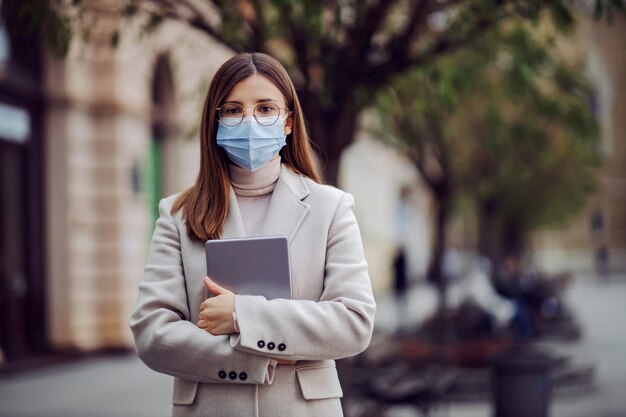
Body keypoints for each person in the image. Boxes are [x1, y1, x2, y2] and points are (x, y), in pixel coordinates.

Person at [130, 52, 376, 417]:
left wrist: (243, 317)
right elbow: (152, 333)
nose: (250, 120)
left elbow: (354, 323)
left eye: (265, 109)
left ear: (288, 122)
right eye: (233, 110)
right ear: (214, 121)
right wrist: (252, 362)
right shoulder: (178, 215)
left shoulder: (331, 208)